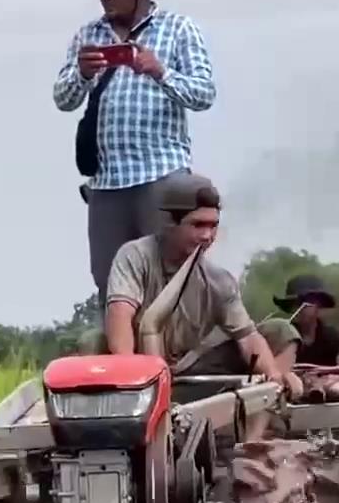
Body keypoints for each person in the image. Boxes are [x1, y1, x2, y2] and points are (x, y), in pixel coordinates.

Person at [53, 0, 217, 306]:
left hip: (162, 175)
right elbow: (63, 99)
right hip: (108, 181)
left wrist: (160, 72)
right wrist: (81, 73)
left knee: (171, 277)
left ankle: (173, 359)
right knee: (110, 281)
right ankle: (123, 360)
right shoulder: (87, 36)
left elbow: (204, 94)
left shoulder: (178, 29)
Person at [100, 172, 303, 403]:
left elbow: (248, 338)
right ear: (170, 223)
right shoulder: (135, 256)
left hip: (189, 374)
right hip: (139, 375)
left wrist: (273, 377)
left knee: (279, 331)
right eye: (197, 225)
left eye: (213, 226)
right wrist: (133, 379)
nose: (207, 236)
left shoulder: (218, 280)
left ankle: (259, 428)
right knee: (91, 342)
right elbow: (120, 315)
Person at [270, 274, 339, 368]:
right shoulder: (284, 334)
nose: (298, 308)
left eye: (304, 303)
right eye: (294, 304)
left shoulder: (327, 335)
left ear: (318, 305)